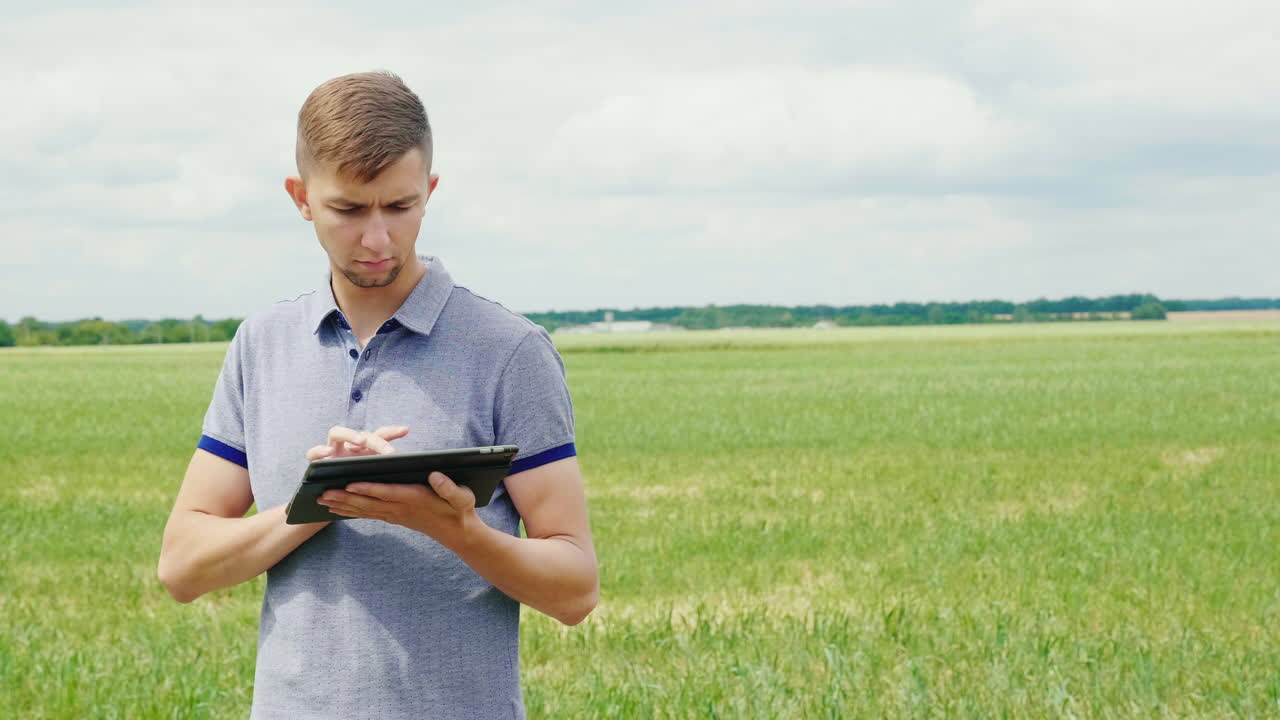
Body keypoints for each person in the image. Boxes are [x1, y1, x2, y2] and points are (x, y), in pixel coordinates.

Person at [157, 70, 598, 719]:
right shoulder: (262, 344)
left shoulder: (510, 352)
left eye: (400, 207)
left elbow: (575, 589)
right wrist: (316, 501)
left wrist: (456, 530)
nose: (376, 239)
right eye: (348, 209)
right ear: (301, 197)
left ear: (431, 191)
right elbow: (182, 569)